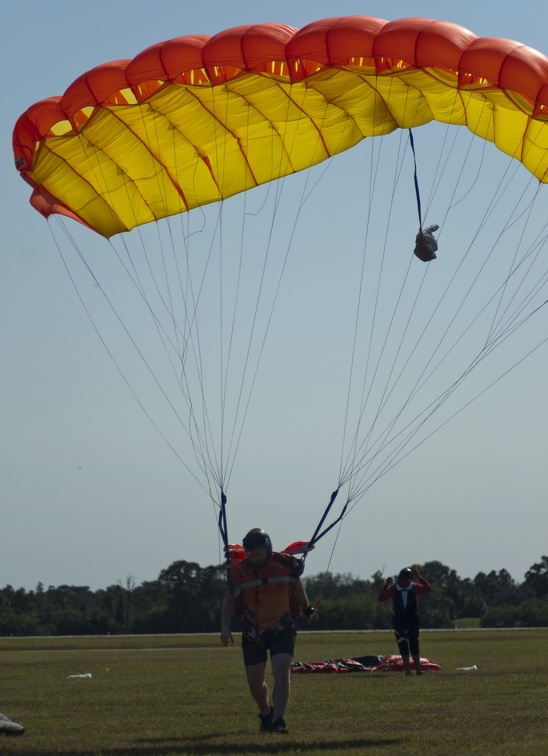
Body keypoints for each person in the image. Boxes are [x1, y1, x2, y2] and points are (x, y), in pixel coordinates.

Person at [221, 528, 316, 734]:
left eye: (258, 553)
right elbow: (229, 600)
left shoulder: (283, 564)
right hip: (253, 631)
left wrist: (307, 609)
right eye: (250, 554)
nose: (254, 558)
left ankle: (279, 720)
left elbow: (297, 586)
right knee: (255, 683)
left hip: (282, 627)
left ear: (268, 548)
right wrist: (225, 627)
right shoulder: (241, 572)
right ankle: (266, 711)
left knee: (282, 673)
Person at [378, 565, 432, 675]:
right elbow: (429, 588)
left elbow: (380, 598)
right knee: (414, 644)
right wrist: (419, 577)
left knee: (403, 645)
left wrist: (386, 585)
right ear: (410, 577)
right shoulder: (415, 586)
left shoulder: (393, 588)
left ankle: (407, 670)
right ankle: (418, 670)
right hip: (413, 620)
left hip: (399, 620)